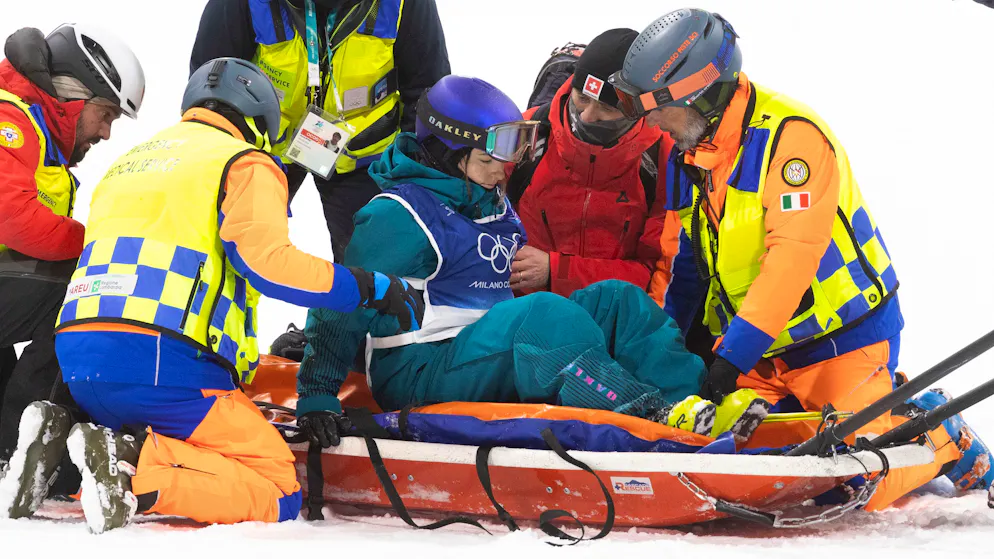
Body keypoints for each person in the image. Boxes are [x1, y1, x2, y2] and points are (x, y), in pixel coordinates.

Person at [3, 57, 422, 532]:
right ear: (261, 119)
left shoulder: (129, 162)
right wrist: (369, 287)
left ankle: (62, 459)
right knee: (278, 487)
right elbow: (270, 265)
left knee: (186, 436)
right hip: (166, 368)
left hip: (80, 365)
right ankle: (132, 470)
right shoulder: (243, 162)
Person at [610, 8, 992, 509]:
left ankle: (933, 430)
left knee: (856, 479)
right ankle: (860, 414)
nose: (652, 122)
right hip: (759, 355)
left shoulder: (792, 140)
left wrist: (730, 358)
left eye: (657, 107)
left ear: (703, 90)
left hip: (838, 341)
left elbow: (793, 259)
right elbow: (687, 267)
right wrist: (672, 351)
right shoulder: (689, 154)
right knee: (760, 466)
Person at [294, 75, 771, 452]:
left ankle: (697, 401)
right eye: (490, 157)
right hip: (419, 367)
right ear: (446, 153)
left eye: (515, 150)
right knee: (542, 316)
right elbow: (342, 302)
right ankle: (650, 417)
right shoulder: (400, 215)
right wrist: (317, 394)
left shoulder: (488, 200)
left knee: (618, 300)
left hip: (482, 348)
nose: (507, 168)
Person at [0, 23, 145, 517]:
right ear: (72, 95)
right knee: (81, 293)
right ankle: (20, 451)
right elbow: (12, 218)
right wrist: (98, 247)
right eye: (105, 115)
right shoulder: (10, 118)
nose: (105, 132)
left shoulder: (28, 124)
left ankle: (12, 447)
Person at [190, 0, 451, 260]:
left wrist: (408, 174)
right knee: (230, 248)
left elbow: (426, 93)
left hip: (365, 154)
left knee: (378, 266)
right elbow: (212, 90)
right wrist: (231, 166)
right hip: (263, 150)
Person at [507, 28, 673, 298]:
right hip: (524, 315)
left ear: (636, 110)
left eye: (607, 108)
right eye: (582, 97)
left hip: (612, 322)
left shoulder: (664, 159)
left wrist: (558, 270)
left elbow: (657, 272)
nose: (587, 116)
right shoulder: (526, 134)